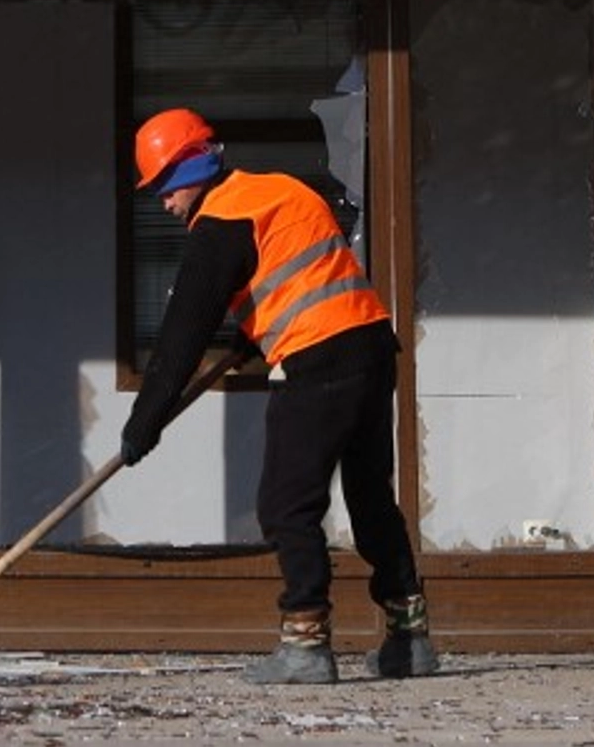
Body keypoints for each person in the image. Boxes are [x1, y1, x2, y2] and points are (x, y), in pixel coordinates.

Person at [120, 106, 436, 685]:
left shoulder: (219, 224)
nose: (163, 203)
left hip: (317, 361)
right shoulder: (278, 190)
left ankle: (306, 642)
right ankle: (408, 637)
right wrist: (251, 335)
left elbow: (179, 341)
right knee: (370, 498)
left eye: (164, 187)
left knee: (286, 506)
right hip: (371, 349)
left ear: (191, 169)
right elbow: (298, 274)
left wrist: (145, 422)